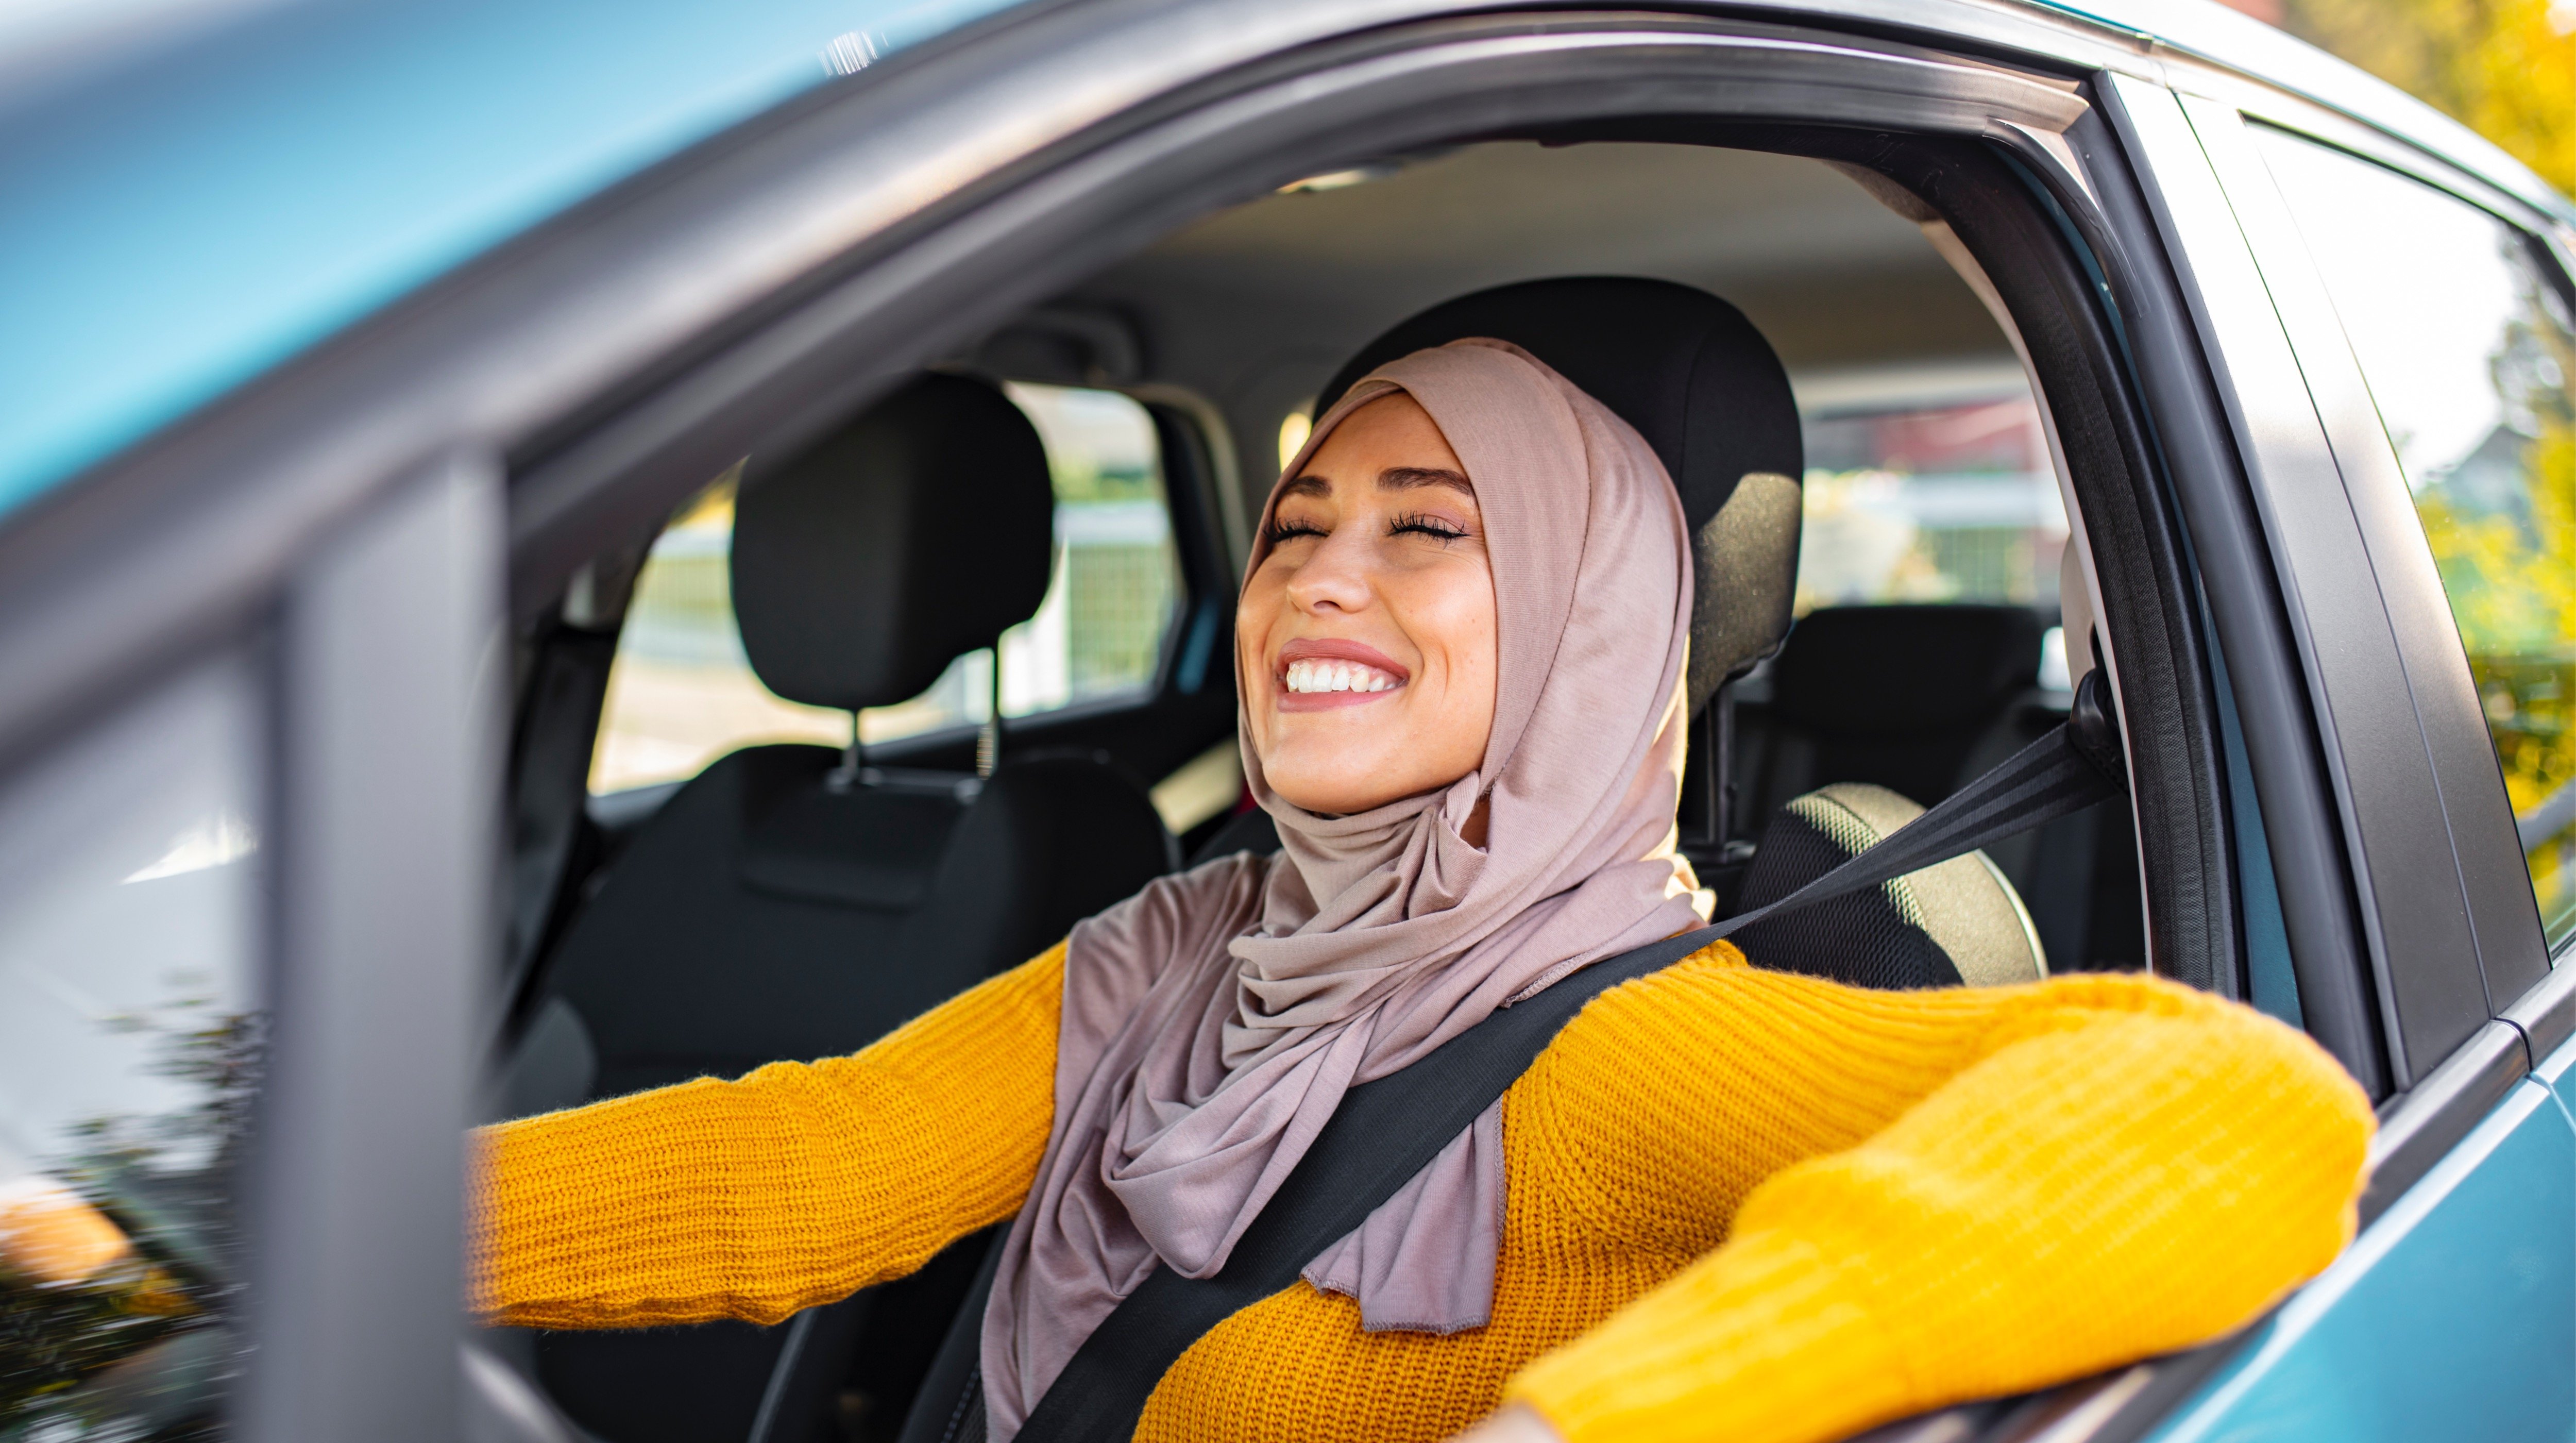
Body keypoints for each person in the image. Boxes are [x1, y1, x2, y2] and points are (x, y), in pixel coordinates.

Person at [475, 340, 2372, 1443]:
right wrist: (303, 1216)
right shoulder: (1186, 942)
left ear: (1581, 622)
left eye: (1429, 536)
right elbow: (802, 1171)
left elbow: (2239, 1104)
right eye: (1295, 529)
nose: (1317, 582)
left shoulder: (1625, 1047)